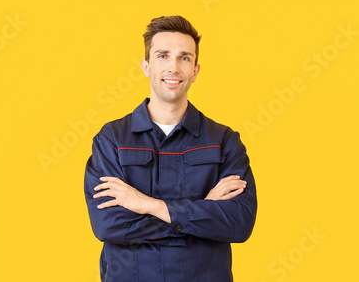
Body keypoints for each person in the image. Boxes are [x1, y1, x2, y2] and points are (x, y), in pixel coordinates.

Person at [84, 15, 257, 281]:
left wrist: (148, 205)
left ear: (195, 71)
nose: (173, 67)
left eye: (184, 58)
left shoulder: (224, 140)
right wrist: (202, 210)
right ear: (146, 66)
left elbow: (239, 222)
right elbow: (108, 225)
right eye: (162, 56)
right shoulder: (112, 139)